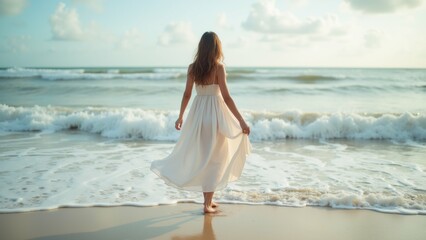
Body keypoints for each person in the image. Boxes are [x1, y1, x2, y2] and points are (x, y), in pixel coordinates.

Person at [151, 31, 251, 214]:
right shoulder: (219, 68)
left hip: (198, 116)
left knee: (204, 156)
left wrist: (181, 116)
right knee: (215, 159)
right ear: (217, 48)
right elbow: (227, 98)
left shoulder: (192, 68)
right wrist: (242, 121)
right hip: (216, 116)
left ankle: (208, 201)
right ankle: (207, 203)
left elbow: (187, 94)